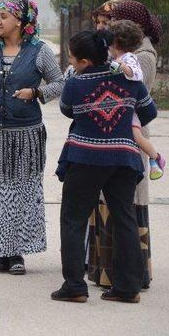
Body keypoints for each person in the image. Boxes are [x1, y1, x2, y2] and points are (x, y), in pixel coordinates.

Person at [51, 29, 157, 304]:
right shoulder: (128, 78)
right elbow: (149, 111)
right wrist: (124, 115)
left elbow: (66, 109)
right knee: (125, 218)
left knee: (73, 219)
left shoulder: (76, 82)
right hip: (123, 158)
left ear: (85, 61)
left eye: (73, 59)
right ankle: (128, 287)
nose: (71, 64)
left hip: (85, 157)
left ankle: (74, 285)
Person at [0, 0, 64, 275]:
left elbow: (60, 82)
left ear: (21, 22)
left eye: (4, 16)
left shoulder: (39, 51)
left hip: (25, 136)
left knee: (22, 193)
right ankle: (2, 251)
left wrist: (36, 93)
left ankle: (17, 254)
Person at [86, 0, 162, 290]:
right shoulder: (125, 52)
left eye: (112, 20)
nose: (106, 26)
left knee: (127, 206)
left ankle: (129, 276)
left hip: (129, 132)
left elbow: (135, 94)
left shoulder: (142, 56)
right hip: (116, 130)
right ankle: (107, 272)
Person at [109, 20, 165, 179]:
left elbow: (136, 74)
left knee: (136, 136)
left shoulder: (129, 58)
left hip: (130, 108)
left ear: (116, 42)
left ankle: (156, 157)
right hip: (120, 107)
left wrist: (122, 67)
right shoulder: (116, 58)